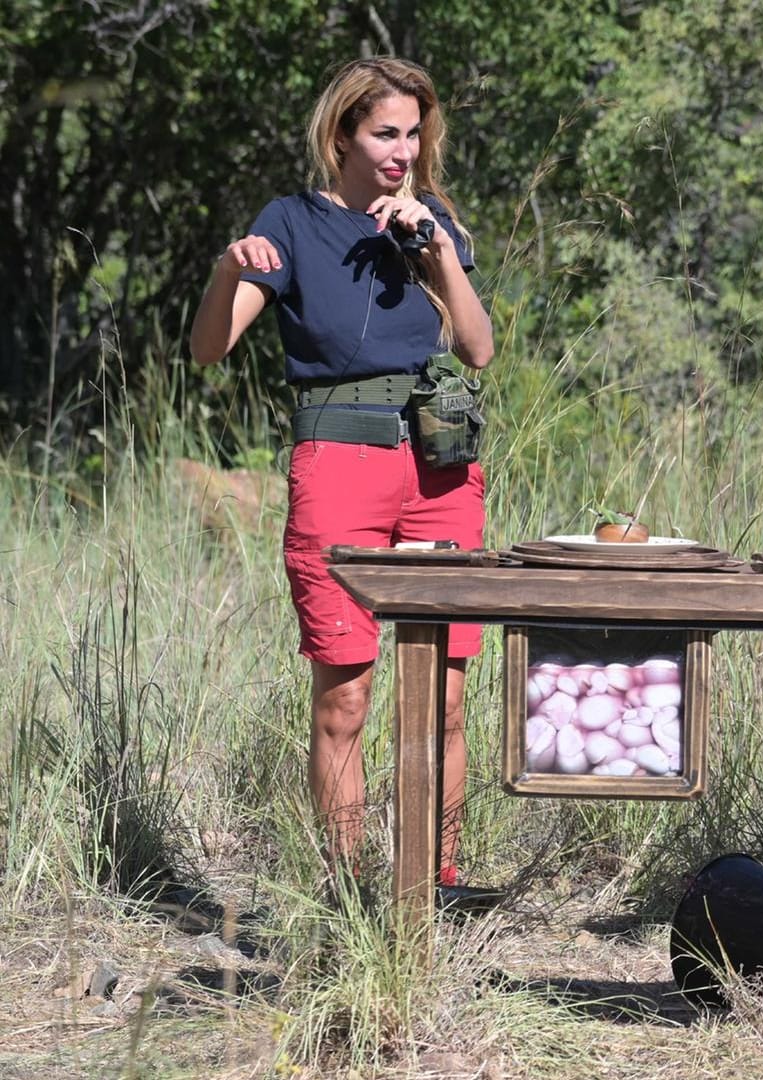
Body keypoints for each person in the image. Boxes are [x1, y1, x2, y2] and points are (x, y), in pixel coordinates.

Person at [189, 58, 493, 898]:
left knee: (447, 696)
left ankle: (438, 879)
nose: (403, 150)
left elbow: (478, 348)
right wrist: (228, 271)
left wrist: (435, 247)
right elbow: (210, 350)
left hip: (440, 469)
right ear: (342, 137)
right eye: (384, 133)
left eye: (413, 133)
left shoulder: (433, 224)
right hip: (340, 464)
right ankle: (349, 889)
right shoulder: (289, 222)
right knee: (346, 696)